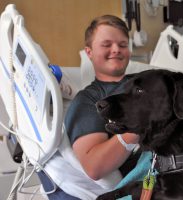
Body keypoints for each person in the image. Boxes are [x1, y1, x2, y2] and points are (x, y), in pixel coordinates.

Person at [39, 15, 140, 200]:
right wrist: (139, 125)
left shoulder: (146, 81)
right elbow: (95, 167)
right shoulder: (89, 100)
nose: (116, 49)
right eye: (106, 45)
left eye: (123, 45)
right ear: (89, 52)